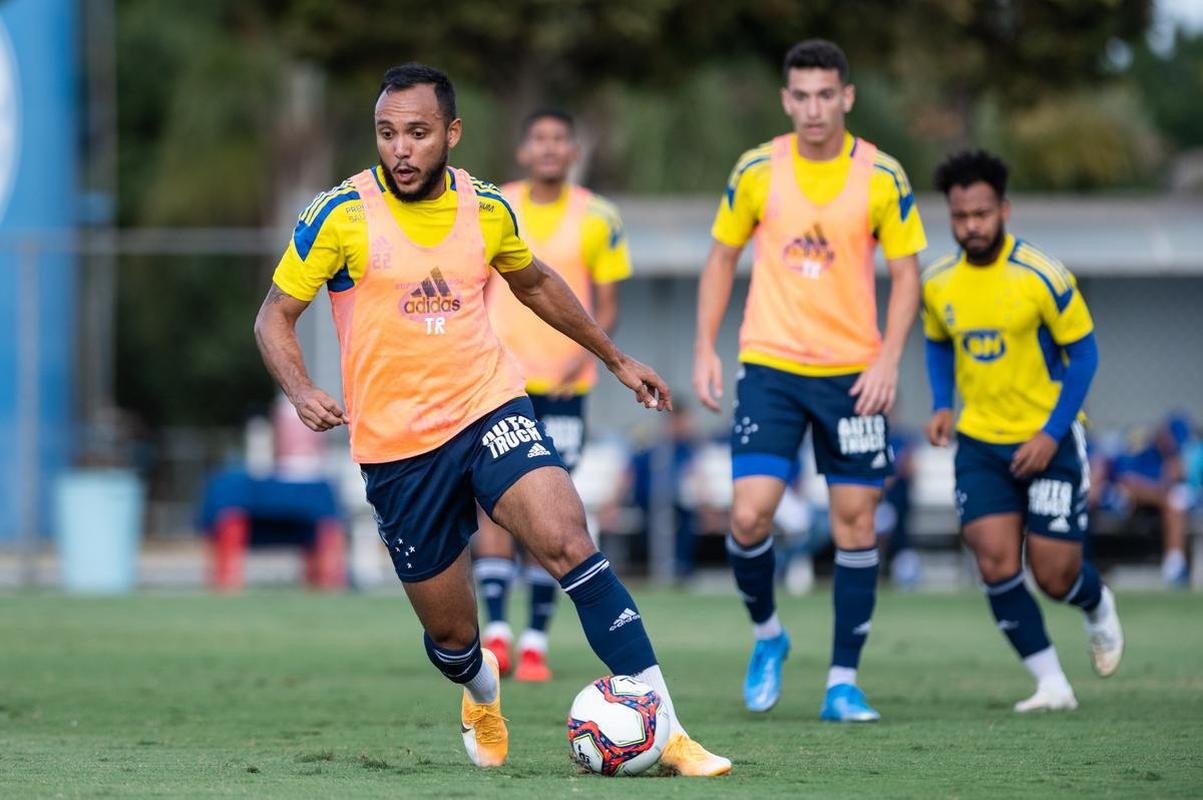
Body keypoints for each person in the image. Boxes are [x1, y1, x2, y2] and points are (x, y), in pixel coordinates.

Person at [254, 63, 729, 776]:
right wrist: (298, 387)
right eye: (387, 134)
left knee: (569, 539)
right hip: (396, 448)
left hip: (487, 405)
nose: (401, 149)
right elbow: (274, 316)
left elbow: (534, 280)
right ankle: (480, 692)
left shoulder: (485, 208)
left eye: (417, 133)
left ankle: (670, 730)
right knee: (451, 634)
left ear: (451, 132)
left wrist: (614, 358)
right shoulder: (340, 214)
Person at [693, 39, 926, 720]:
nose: (814, 108)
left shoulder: (882, 175)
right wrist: (704, 347)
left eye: (827, 94)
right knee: (746, 513)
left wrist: (886, 358)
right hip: (769, 365)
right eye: (802, 95)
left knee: (855, 526)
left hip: (854, 375)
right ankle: (768, 636)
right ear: (785, 100)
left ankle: (841, 683)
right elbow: (719, 259)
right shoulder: (757, 169)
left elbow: (907, 273)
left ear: (846, 97)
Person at [923, 149, 1124, 712]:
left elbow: (1084, 356)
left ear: (1004, 209)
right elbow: (938, 341)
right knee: (993, 559)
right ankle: (1052, 684)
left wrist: (1050, 434)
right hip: (980, 443)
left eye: (982, 214)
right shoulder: (938, 282)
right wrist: (942, 403)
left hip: (1051, 439)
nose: (971, 226)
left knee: (1056, 575)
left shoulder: (1043, 274)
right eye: (961, 216)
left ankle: (1096, 603)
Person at [475, 108, 632, 681]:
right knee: (490, 502)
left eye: (559, 140)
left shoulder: (598, 217)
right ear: (523, 150)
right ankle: (497, 634)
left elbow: (606, 302)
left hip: (565, 390)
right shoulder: (495, 206)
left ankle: (536, 639)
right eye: (537, 138)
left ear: (573, 152)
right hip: (497, 383)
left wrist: (579, 358)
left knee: (553, 510)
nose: (548, 148)